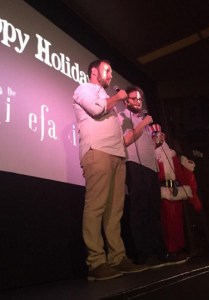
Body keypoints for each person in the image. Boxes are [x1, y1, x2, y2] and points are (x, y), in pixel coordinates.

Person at [73, 59, 147, 281]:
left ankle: (117, 258)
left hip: (116, 155)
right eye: (107, 70)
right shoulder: (84, 89)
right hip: (97, 152)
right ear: (94, 71)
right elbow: (96, 111)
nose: (110, 75)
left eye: (112, 72)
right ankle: (96, 263)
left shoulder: (109, 99)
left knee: (114, 211)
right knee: (96, 207)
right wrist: (117, 98)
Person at [118, 85, 181, 267]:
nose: (138, 102)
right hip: (134, 165)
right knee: (140, 210)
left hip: (150, 168)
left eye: (140, 99)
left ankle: (161, 252)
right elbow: (127, 140)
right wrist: (144, 123)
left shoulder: (142, 121)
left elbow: (146, 147)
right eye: (134, 98)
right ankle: (144, 254)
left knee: (154, 211)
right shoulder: (123, 118)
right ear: (125, 101)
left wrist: (156, 142)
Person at [156, 141, 203, 258]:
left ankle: (179, 248)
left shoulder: (178, 159)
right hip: (165, 193)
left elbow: (188, 177)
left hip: (176, 192)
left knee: (178, 222)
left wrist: (192, 195)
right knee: (168, 223)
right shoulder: (157, 156)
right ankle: (172, 249)